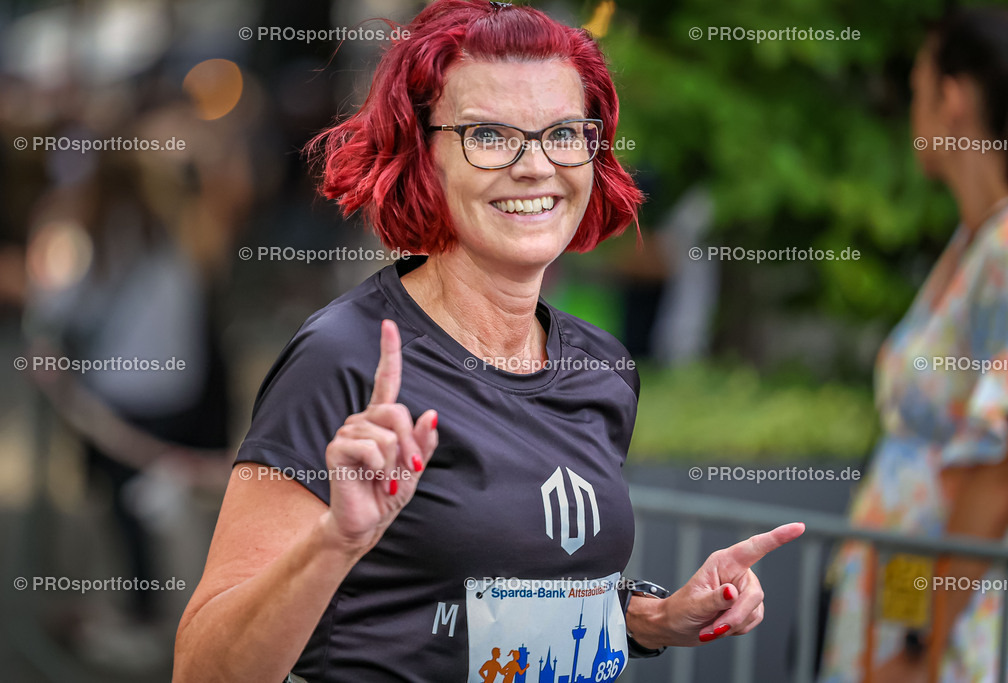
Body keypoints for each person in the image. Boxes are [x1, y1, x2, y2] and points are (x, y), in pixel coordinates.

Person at [172, 2, 804, 681]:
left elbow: (506, 605)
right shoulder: (345, 358)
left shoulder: (602, 366)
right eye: (490, 135)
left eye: (564, 133)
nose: (535, 166)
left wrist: (654, 616)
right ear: (423, 155)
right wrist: (336, 542)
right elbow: (203, 671)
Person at [819, 7, 1008, 683]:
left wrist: (922, 649)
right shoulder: (973, 242)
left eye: (917, 88)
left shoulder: (1002, 253)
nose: (910, 112)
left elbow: (997, 470)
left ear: (952, 98)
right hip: (902, 595)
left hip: (935, 621)